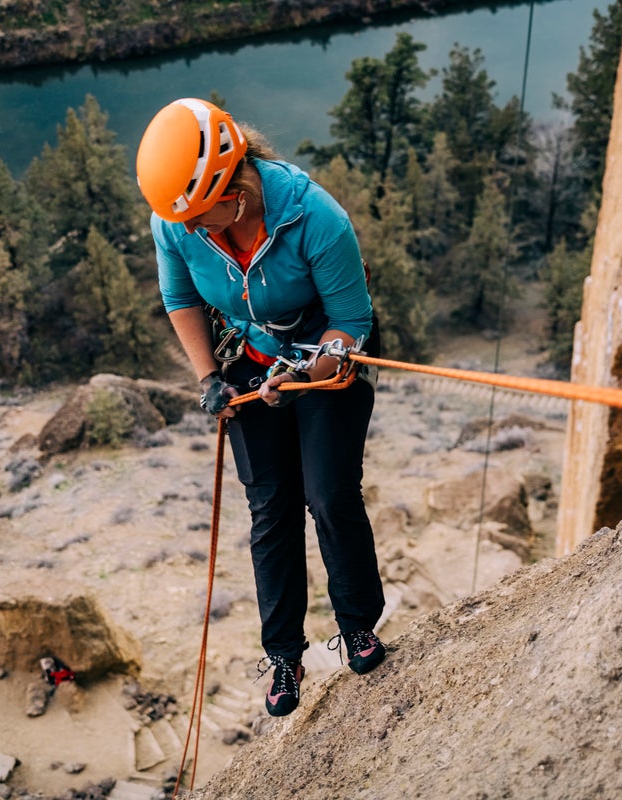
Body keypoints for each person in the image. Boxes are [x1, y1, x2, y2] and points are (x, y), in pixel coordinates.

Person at [136, 98, 387, 716]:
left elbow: (352, 320)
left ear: (236, 188)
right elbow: (179, 298)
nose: (189, 229)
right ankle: (284, 653)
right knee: (271, 507)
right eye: (182, 220)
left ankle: (357, 624)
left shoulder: (313, 215)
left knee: (328, 494)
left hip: (329, 346)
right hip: (251, 352)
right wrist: (208, 379)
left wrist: (303, 370)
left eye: (201, 215)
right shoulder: (175, 220)